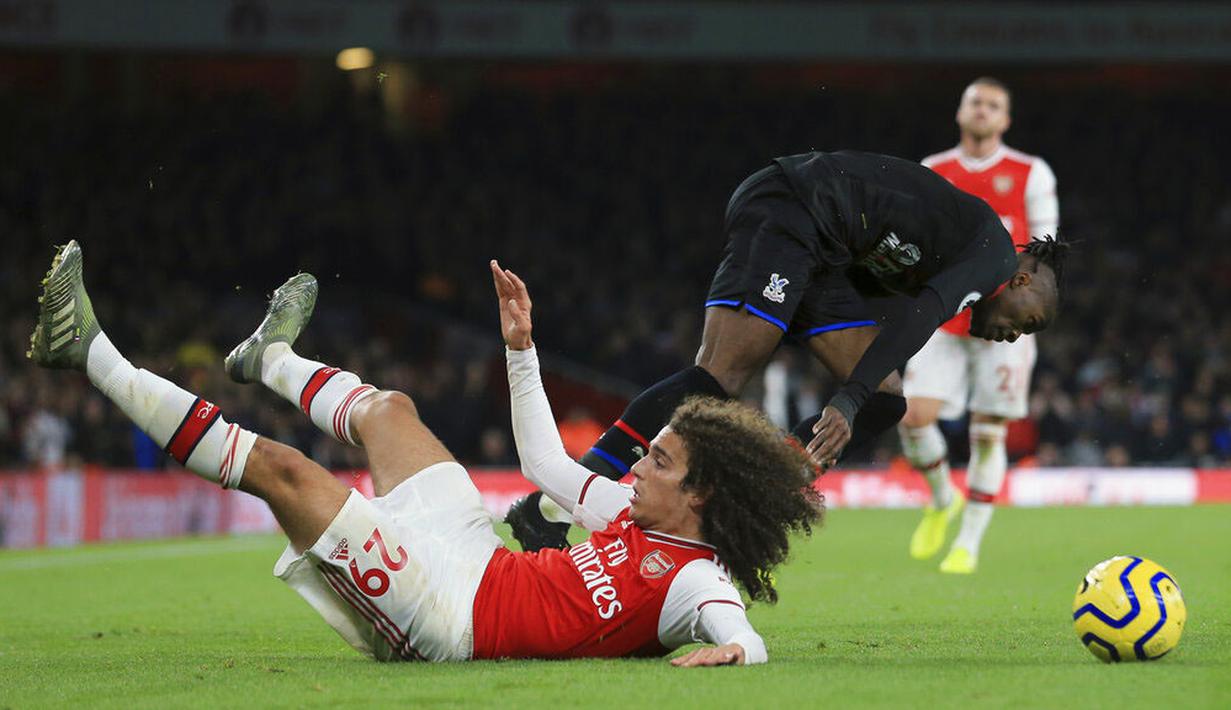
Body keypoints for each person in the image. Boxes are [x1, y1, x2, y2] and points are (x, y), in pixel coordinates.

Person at [28, 241, 821, 666]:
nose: (638, 465)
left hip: (447, 616)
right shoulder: (635, 516)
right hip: (474, 556)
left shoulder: (692, 579)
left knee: (284, 470)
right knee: (390, 412)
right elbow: (545, 465)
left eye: (660, 463)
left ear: (702, 499)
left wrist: (730, 654)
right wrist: (521, 348)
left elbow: (739, 633)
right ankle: (267, 358)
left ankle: (89, 354)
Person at [509, 148, 1070, 552]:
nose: (1017, 335)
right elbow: (924, 314)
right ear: (1024, 282)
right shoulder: (995, 256)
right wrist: (844, 398)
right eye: (1031, 322)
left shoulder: (957, 248)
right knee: (722, 374)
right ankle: (552, 505)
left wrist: (856, 396)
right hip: (794, 207)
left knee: (884, 400)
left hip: (824, 253)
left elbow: (884, 307)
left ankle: (750, 502)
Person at [900, 77, 1060, 575]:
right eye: (976, 102)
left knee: (988, 434)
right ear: (961, 111)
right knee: (911, 416)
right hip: (946, 313)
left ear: (1006, 119)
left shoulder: (1029, 171)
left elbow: (1045, 250)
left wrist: (1016, 301)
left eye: (994, 105)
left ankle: (968, 541)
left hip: (1004, 325)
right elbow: (918, 238)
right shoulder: (935, 170)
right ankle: (941, 496)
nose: (984, 111)